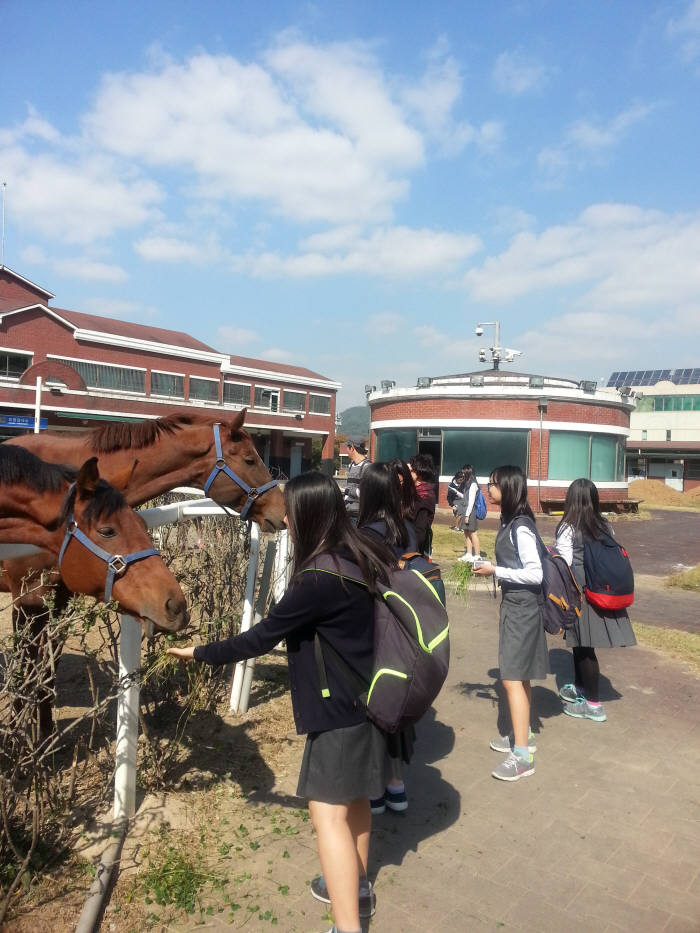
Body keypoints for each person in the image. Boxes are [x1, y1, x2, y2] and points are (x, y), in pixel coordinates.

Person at [167, 472, 395, 932]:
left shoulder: (317, 578)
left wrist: (200, 652)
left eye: (290, 509)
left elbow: (261, 637)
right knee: (355, 802)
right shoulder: (361, 554)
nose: (286, 518)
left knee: (327, 815)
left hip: (338, 712)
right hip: (370, 700)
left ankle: (347, 924)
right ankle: (359, 889)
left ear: (308, 513)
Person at [473, 465, 548, 782]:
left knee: (512, 678)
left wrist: (496, 571)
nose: (489, 489)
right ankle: (523, 735)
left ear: (508, 488)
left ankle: (522, 757)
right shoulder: (511, 522)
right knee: (520, 676)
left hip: (523, 608)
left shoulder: (520, 527)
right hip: (515, 606)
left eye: (493, 484)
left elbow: (536, 573)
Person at [358, 461, 416, 815]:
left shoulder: (365, 533)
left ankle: (375, 790)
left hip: (376, 628)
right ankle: (397, 785)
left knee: (374, 707)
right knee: (396, 706)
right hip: (406, 628)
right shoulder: (405, 529)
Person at [554, 478, 637, 722]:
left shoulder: (568, 527)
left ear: (571, 499)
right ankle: (580, 689)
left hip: (580, 594)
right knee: (581, 646)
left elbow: (563, 564)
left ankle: (593, 705)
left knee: (585, 649)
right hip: (600, 590)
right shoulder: (604, 525)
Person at [408, 453, 437, 555]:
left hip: (413, 548)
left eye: (410, 471)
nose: (407, 473)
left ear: (419, 473)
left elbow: (419, 532)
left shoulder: (424, 495)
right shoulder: (415, 490)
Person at [456, 464, 482, 563]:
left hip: (470, 512)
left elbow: (471, 501)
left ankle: (477, 555)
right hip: (465, 510)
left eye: (463, 472)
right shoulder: (467, 484)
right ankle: (469, 554)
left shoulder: (473, 484)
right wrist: (458, 493)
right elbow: (466, 497)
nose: (462, 474)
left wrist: (467, 515)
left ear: (468, 473)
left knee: (473, 533)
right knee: (466, 533)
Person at [343, 436, 370, 525]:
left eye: (347, 447)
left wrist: (344, 490)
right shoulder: (352, 465)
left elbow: (364, 493)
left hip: (358, 516)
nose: (346, 450)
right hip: (347, 513)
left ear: (352, 448)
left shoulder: (367, 467)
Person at [447, 467, 468, 532]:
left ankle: (461, 527)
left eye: (462, 480)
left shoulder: (463, 483)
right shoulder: (451, 486)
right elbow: (449, 497)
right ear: (456, 478)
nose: (461, 481)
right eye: (460, 480)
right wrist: (452, 505)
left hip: (463, 499)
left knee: (464, 513)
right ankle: (457, 527)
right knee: (459, 512)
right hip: (455, 500)